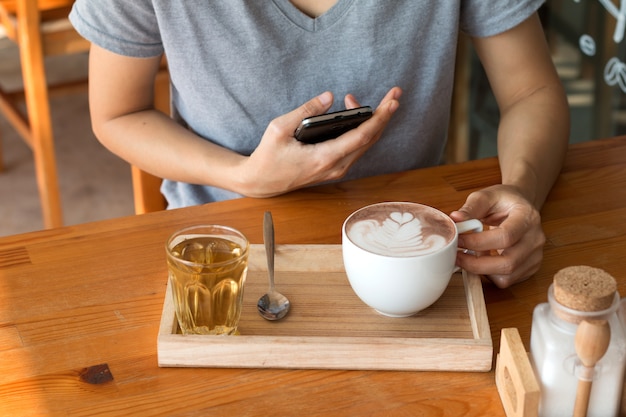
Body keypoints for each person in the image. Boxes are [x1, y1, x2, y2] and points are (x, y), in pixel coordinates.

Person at [69, 1, 570, 288]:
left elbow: (532, 91)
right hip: (223, 254)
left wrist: (522, 189)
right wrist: (242, 176)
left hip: (424, 255)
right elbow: (118, 114)